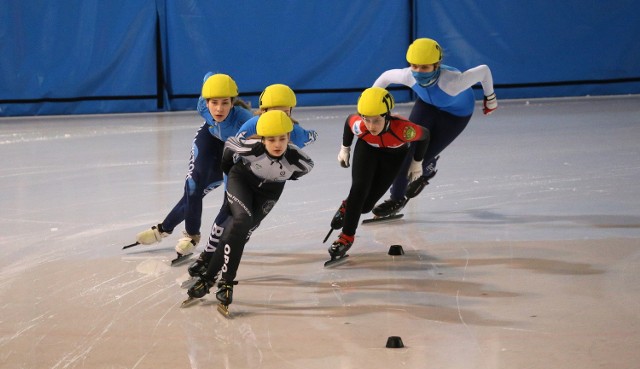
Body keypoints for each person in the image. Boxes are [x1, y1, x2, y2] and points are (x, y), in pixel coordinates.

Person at [186, 110, 314, 309]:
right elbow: (228, 148)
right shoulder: (251, 148)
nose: (278, 144)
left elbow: (301, 172)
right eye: (271, 139)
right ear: (262, 139)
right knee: (242, 220)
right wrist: (230, 172)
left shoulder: (300, 160)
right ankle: (226, 282)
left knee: (236, 232)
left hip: (269, 193)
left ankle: (208, 278)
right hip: (242, 181)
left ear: (289, 137)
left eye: (282, 138)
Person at [371, 38, 498, 218]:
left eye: (424, 67)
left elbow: (484, 70)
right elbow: (384, 78)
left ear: (437, 65)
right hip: (427, 106)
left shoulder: (453, 82)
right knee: (405, 152)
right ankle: (396, 199)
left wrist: (490, 98)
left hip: (455, 116)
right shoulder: (408, 75)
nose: (418, 71)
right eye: (414, 66)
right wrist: (373, 106)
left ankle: (426, 170)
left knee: (421, 158)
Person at [130, 73, 252, 258]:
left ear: (233, 102)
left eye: (225, 102)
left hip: (230, 150)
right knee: (193, 185)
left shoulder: (245, 121)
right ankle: (191, 236)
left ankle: (163, 228)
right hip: (209, 139)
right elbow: (208, 76)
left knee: (211, 196)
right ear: (206, 101)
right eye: (214, 102)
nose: (219, 109)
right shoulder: (202, 105)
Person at [327, 87, 430, 259]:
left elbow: (425, 135)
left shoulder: (404, 130)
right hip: (367, 150)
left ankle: (347, 206)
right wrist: (345, 148)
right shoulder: (360, 126)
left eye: (376, 121)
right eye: (366, 120)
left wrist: (417, 162)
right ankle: (346, 238)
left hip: (393, 156)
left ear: (387, 115)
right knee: (358, 189)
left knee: (366, 207)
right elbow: (348, 121)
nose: (371, 126)